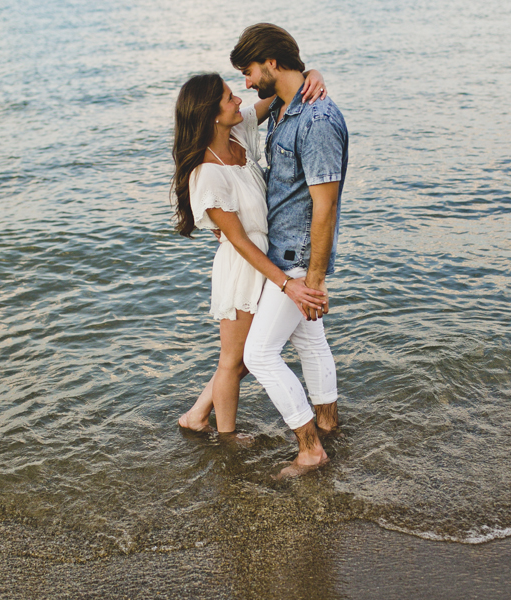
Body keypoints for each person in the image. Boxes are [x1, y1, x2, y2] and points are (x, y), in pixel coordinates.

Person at [171, 71, 329, 438]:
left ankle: (196, 415)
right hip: (243, 267)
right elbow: (239, 241)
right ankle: (226, 436)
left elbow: (278, 93)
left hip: (267, 257)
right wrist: (286, 283)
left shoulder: (237, 131)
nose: (238, 100)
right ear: (211, 113)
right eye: (229, 98)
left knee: (243, 360)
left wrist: (311, 75)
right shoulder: (206, 174)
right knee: (233, 361)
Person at [231, 23, 348, 478]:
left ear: (271, 63)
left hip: (296, 258)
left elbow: (326, 206)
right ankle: (328, 423)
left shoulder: (316, 121)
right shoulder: (285, 106)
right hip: (285, 250)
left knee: (259, 355)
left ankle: (310, 449)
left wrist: (312, 280)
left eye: (248, 71)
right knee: (309, 341)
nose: (245, 83)